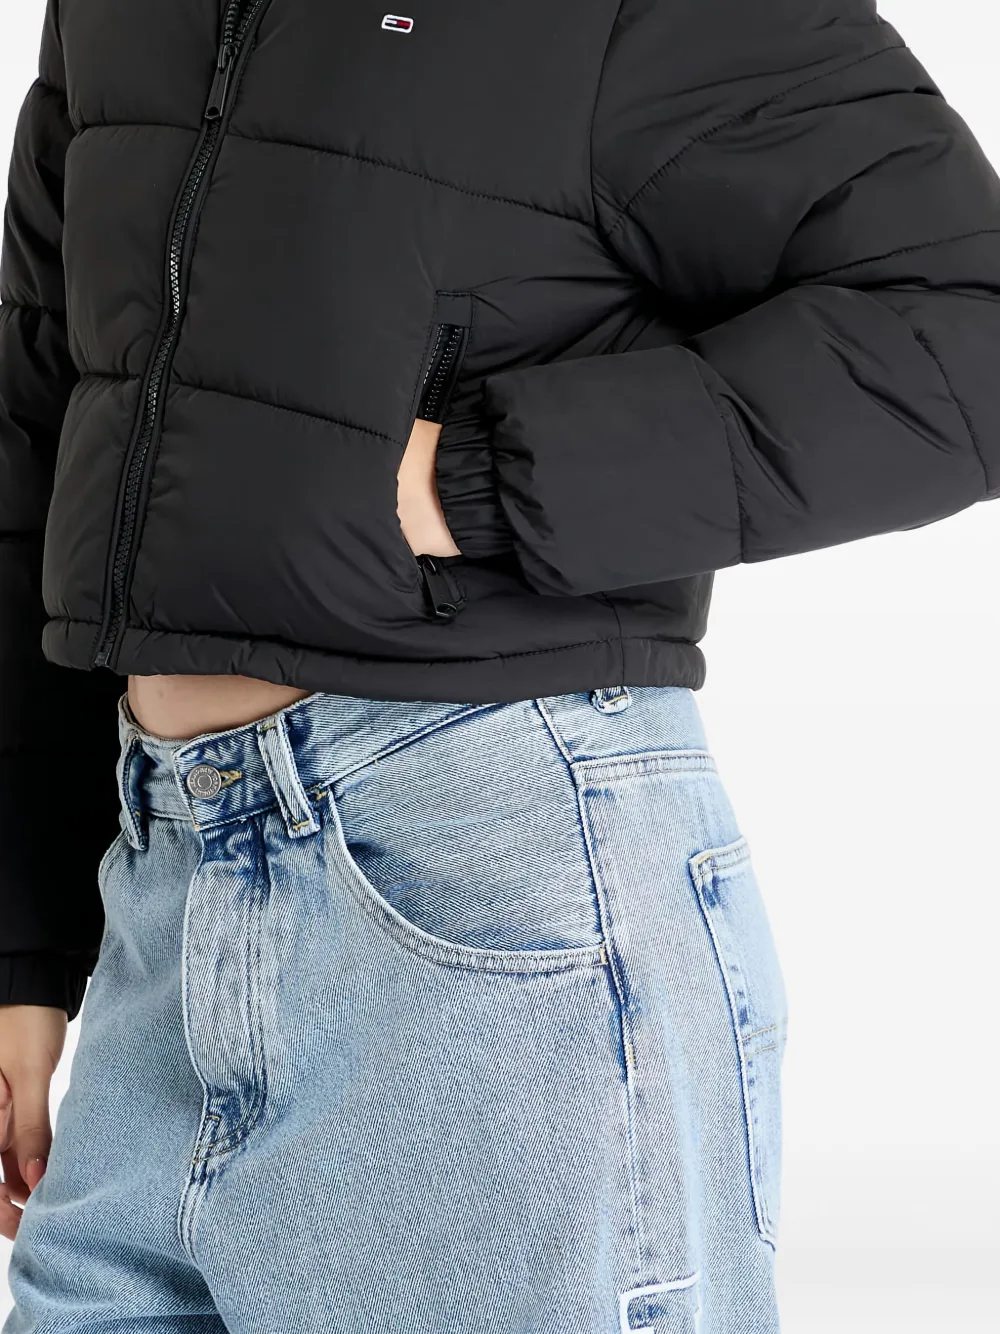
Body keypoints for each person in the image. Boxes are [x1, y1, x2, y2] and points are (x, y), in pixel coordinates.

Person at [0, 0, 997, 1328]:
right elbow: (42, 410)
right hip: (159, 903)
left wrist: (477, 478)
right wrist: (23, 942)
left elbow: (968, 329)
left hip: (486, 887)